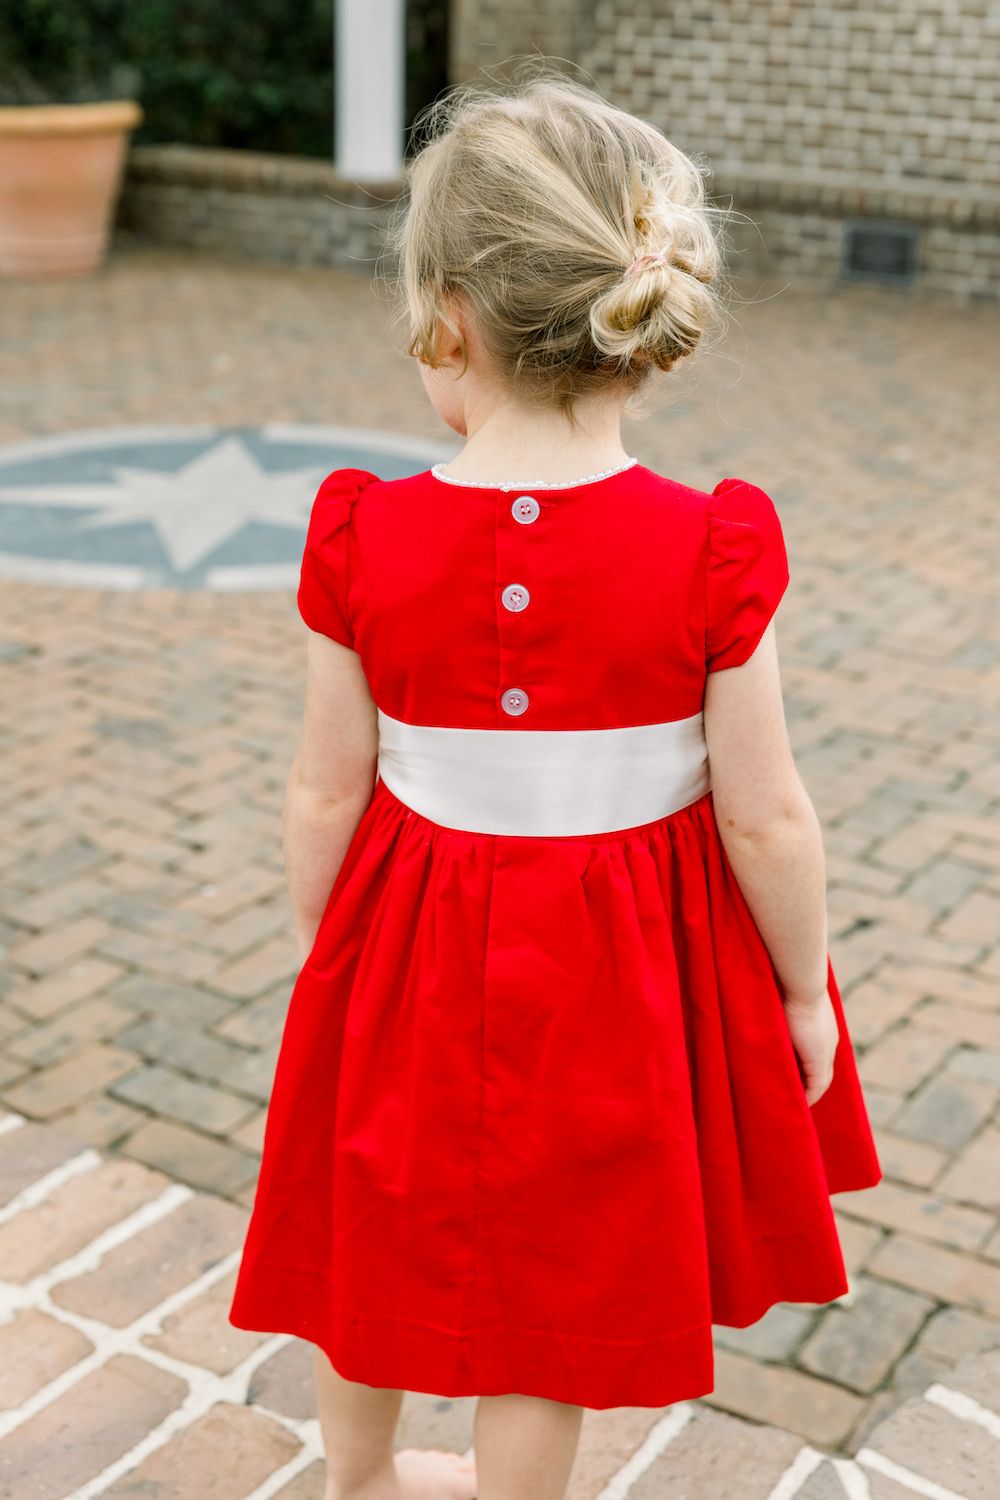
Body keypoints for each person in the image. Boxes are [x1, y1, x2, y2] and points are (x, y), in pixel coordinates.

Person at [228, 72, 882, 1500]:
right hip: (624, 963)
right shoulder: (712, 547)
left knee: (371, 1222)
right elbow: (767, 814)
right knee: (558, 1279)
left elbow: (323, 791)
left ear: (447, 315)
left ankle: (359, 1480)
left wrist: (317, 944)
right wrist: (798, 989)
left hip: (402, 936)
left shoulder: (365, 534)